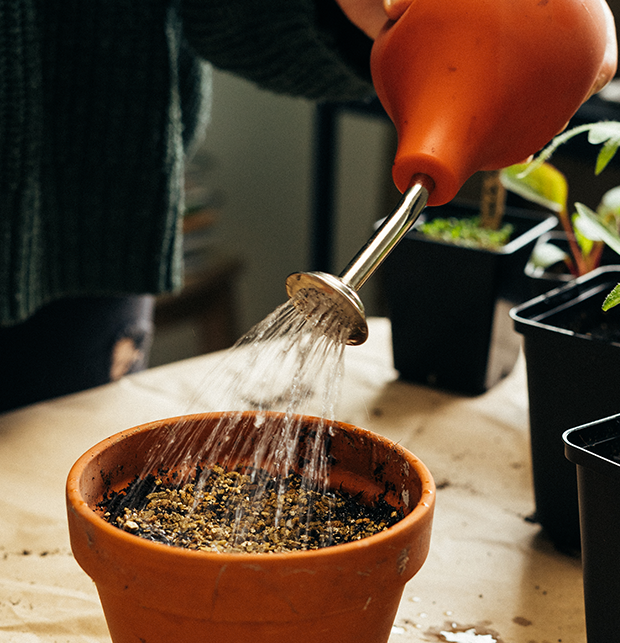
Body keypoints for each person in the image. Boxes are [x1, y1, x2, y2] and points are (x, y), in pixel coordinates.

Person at [0, 0, 395, 413]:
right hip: (85, 227)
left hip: (89, 239)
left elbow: (236, 16)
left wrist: (359, 22)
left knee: (68, 461)